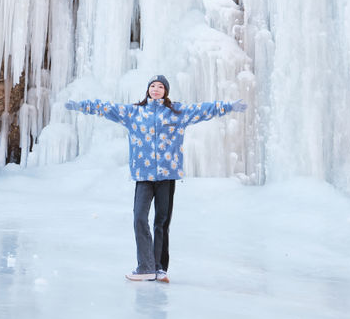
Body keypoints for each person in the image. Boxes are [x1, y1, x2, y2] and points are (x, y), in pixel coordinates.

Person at [65, 74, 247, 282]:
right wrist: (81, 105)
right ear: (148, 90)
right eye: (153, 86)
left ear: (165, 92)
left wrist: (229, 106)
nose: (156, 89)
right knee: (139, 219)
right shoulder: (134, 112)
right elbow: (106, 108)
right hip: (143, 176)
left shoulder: (176, 112)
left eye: (161, 86)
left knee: (161, 222)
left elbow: (203, 109)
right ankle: (145, 267)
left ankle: (160, 268)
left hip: (167, 176)